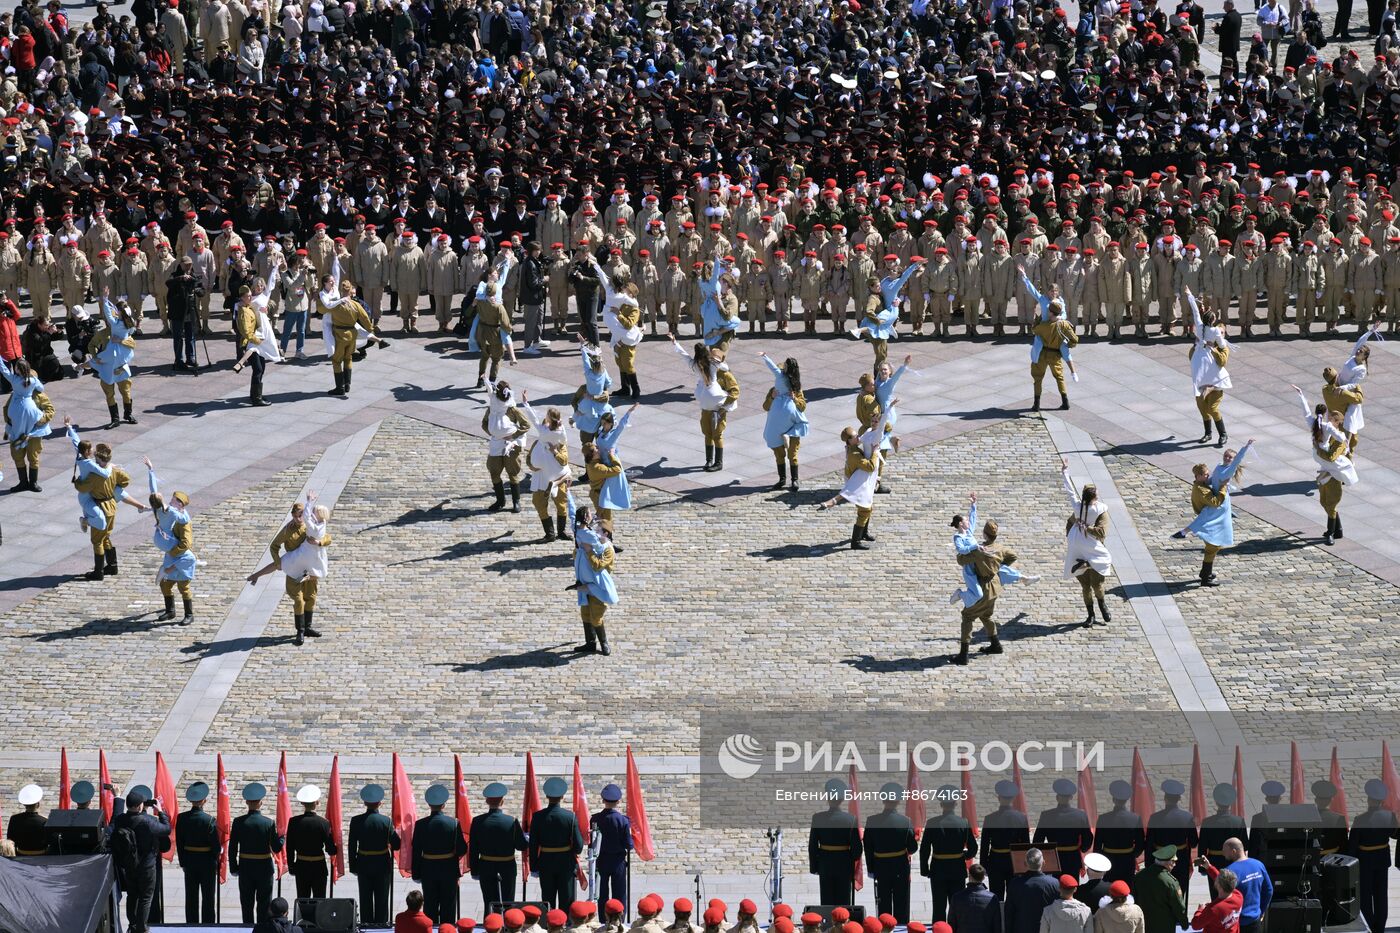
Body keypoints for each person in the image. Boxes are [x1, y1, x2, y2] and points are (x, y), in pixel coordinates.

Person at [248, 492, 333, 645]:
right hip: (295, 569)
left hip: (310, 570)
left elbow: (327, 537)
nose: (298, 519)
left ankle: (307, 627)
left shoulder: (311, 524)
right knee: (299, 600)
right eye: (295, 516)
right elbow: (274, 546)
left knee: (311, 598)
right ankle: (299, 631)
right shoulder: (287, 530)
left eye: (300, 515)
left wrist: (319, 543)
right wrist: (278, 562)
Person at [1171, 441, 1255, 586]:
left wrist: (1245, 448)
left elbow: (1237, 461)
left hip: (1221, 503)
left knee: (1206, 520)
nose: (1228, 459)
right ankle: (1205, 574)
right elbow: (1213, 479)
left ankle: (1186, 534)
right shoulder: (1219, 466)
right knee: (1208, 526)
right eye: (1226, 456)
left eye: (1230, 457)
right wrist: (1205, 482)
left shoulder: (1229, 470)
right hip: (1218, 501)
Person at [1292, 386, 1358, 545]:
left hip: (1325, 460)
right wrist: (1347, 446)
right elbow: (1341, 436)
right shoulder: (1325, 426)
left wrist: (1301, 395)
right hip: (1325, 461)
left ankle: (1331, 532)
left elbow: (1305, 412)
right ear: (1326, 414)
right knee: (1327, 501)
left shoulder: (1314, 423)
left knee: (1331, 501)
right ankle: (1338, 529)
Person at [74, 440, 147, 581]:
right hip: (112, 507)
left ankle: (98, 571)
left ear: (99, 459)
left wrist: (77, 481)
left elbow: (82, 488)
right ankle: (113, 566)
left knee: (97, 541)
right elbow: (126, 480)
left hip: (100, 507)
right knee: (106, 536)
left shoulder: (94, 476)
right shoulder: (114, 470)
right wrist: (114, 486)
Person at [951, 521, 1020, 665]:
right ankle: (995, 645)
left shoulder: (979, 551)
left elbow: (961, 560)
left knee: (968, 616)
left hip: (983, 588)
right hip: (995, 587)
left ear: (984, 534)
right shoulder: (1000, 548)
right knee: (986, 615)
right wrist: (997, 567)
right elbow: (1013, 556)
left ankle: (964, 655)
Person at [669, 336, 740, 472]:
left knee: (709, 434)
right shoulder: (713, 364)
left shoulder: (695, 365)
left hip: (704, 401)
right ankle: (717, 462)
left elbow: (684, 355)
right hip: (714, 399)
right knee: (715, 434)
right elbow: (725, 367)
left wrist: (675, 343)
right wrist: (717, 360)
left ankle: (710, 461)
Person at [110, 785, 173, 933]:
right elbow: (166, 829)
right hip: (147, 865)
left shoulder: (121, 820)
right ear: (140, 806)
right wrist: (161, 812)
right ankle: (141, 927)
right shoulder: (147, 821)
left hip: (129, 865)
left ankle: (132, 926)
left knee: (132, 895)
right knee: (146, 897)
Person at [815, 417, 885, 550]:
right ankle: (856, 541)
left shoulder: (853, 448)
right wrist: (875, 452)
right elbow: (870, 466)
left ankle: (863, 533)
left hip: (860, 482)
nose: (858, 436)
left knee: (867, 507)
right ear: (849, 440)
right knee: (865, 510)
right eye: (854, 436)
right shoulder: (854, 454)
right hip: (857, 485)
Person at [145, 455, 197, 625]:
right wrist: (151, 469)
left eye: (175, 500)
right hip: (169, 550)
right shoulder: (170, 511)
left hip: (178, 555)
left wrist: (172, 553)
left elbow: (186, 542)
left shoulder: (177, 515)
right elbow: (154, 491)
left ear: (181, 505)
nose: (171, 500)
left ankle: (189, 614)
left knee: (183, 587)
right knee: (165, 586)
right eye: (172, 499)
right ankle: (170, 611)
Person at [1060, 465, 1114, 626]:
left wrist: (1065, 472)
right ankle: (1092, 614)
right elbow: (1101, 533)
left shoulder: (1077, 506)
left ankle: (1099, 606)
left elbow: (1070, 490)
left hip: (1077, 542)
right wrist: (1087, 527)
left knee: (1094, 585)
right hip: (1089, 542)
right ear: (1093, 498)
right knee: (1104, 559)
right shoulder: (1099, 509)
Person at [921, 786, 979, 924]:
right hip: (957, 869)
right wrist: (963, 856)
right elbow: (973, 847)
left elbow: (924, 849)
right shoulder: (963, 823)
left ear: (941, 804)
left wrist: (924, 869)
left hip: (938, 870)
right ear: (955, 804)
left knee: (939, 907)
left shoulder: (932, 823)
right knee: (957, 906)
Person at [412, 785, 468, 924]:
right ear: (443, 805)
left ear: (429, 804)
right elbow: (462, 849)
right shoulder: (453, 823)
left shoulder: (420, 824)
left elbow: (416, 851)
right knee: (448, 905)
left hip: (428, 869)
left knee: (430, 904)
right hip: (448, 869)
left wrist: (416, 873)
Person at [1023, 272, 1079, 411]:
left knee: (1064, 350)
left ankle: (1073, 374)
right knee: (1038, 353)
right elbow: (1033, 291)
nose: (1053, 293)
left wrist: (1060, 318)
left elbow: (1064, 313)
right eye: (1051, 290)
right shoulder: (1043, 300)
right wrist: (1024, 276)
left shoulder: (1060, 302)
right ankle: (1037, 404)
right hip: (1043, 332)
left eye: (1055, 291)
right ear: (1047, 291)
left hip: (1054, 330)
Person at [231, 782, 285, 924]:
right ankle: (262, 928)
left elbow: (232, 847)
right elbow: (276, 848)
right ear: (261, 803)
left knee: (246, 903)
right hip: (264, 868)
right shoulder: (268, 823)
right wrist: (282, 838)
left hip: (245, 867)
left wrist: (234, 867)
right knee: (264, 904)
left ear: (247, 802)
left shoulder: (238, 822)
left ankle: (247, 928)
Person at [1347, 780, 1397, 933]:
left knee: (1366, 897)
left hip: (1365, 862)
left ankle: (1370, 926)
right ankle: (1380, 928)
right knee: (1381, 897)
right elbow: (1395, 835)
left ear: (1368, 799)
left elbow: (1352, 846)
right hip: (1382, 861)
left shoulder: (1360, 819)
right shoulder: (1390, 816)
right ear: (1382, 801)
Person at [864, 783, 917, 923]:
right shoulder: (905, 821)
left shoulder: (872, 821)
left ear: (883, 800)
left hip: (880, 867)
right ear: (898, 801)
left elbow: (868, 847)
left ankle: (884, 928)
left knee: (883, 903)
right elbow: (913, 847)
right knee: (901, 901)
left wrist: (871, 869)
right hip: (900, 866)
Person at [349, 783, 402, 927]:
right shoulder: (386, 821)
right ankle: (381, 925)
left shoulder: (356, 821)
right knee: (382, 898)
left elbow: (352, 846)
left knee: (365, 897)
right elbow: (397, 845)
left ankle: (366, 924)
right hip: (382, 863)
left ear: (365, 802)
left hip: (363, 862)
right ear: (379, 803)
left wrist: (353, 866)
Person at [470, 782, 527, 913]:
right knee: (508, 902)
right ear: (502, 801)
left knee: (489, 902)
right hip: (507, 866)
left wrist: (474, 870)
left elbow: (473, 849)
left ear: (486, 801)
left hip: (486, 865)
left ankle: (490, 926)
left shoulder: (478, 821)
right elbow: (521, 846)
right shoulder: (511, 821)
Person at [571, 505, 621, 654]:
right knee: (585, 614)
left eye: (598, 530)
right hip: (586, 582)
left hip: (598, 586)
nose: (595, 531)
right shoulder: (594, 543)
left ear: (605, 533)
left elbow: (598, 566)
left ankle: (604, 643)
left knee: (596, 616)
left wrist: (588, 551)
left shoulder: (607, 550)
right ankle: (590, 643)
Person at [1, 357, 56, 493]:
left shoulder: (40, 395)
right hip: (18, 426)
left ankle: (33, 482)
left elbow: (50, 410)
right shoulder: (21, 389)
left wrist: (41, 420)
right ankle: (23, 482)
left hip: (34, 430)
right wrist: (8, 421)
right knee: (17, 455)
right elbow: (6, 408)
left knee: (33, 456)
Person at [529, 776, 585, 908]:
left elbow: (533, 844)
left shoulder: (537, 817)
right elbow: (579, 845)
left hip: (545, 862)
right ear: (562, 797)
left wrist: (534, 866)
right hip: (566, 862)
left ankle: (550, 924)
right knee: (567, 898)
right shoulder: (570, 816)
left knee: (548, 899)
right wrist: (573, 852)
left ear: (547, 796)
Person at [85, 295, 141, 426]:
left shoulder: (123, 327)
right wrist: (95, 358)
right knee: (109, 394)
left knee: (126, 392)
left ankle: (128, 414)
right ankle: (115, 419)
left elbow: (132, 344)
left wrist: (121, 341)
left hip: (120, 366)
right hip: (106, 366)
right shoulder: (102, 333)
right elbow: (91, 345)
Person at [1185, 290, 1232, 446]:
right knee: (1202, 407)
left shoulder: (1202, 331)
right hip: (1202, 374)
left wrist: (1190, 297)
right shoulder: (1211, 332)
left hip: (1214, 382)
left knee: (1213, 408)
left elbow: (1223, 359)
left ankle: (1223, 434)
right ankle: (1208, 433)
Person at [318, 275, 377, 398]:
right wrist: (370, 329)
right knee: (348, 357)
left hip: (339, 332)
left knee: (336, 360)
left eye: (334, 281)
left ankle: (340, 387)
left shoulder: (336, 298)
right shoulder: (352, 303)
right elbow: (365, 316)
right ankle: (347, 384)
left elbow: (326, 308)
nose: (333, 282)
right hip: (349, 331)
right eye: (331, 281)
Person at [759, 351, 808, 491]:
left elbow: (803, 406)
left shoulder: (796, 388)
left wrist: (795, 398)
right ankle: (782, 479)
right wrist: (772, 397)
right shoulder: (774, 390)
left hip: (792, 426)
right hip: (777, 426)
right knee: (779, 454)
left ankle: (794, 480)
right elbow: (765, 407)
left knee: (792, 454)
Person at [808, 778, 861, 906]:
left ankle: (828, 925)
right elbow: (857, 848)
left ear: (827, 797)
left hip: (825, 864)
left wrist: (815, 867)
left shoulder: (818, 818)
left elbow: (813, 846)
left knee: (827, 900)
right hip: (844, 863)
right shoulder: (850, 819)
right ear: (842, 799)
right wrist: (851, 860)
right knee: (844, 901)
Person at [483, 379, 531, 513]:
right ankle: (500, 501)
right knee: (494, 472)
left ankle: (516, 502)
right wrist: (494, 433)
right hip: (496, 444)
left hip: (512, 445)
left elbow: (526, 425)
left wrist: (513, 436)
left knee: (512, 473)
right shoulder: (492, 408)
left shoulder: (512, 409)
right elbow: (484, 423)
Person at [176, 781, 219, 924]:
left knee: (191, 897)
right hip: (207, 863)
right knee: (208, 897)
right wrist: (216, 858)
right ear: (204, 801)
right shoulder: (209, 820)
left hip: (189, 861)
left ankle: (192, 924)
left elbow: (179, 842)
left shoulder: (182, 818)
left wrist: (183, 862)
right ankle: (208, 925)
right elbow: (215, 846)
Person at [1034, 779, 1094, 880]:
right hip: (1073, 858)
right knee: (1071, 885)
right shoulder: (1080, 815)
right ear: (1071, 797)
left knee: (1054, 886)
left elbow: (1037, 840)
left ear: (1057, 797)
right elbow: (1088, 838)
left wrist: (1045, 855)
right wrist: (1082, 848)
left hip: (1053, 859)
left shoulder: (1046, 816)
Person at [288, 784, 339, 899]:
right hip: (318, 867)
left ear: (302, 803)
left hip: (301, 866)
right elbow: (330, 849)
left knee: (303, 899)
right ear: (316, 802)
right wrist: (335, 848)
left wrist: (291, 866)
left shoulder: (294, 822)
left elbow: (290, 847)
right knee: (319, 900)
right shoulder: (324, 823)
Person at [1146, 781, 1198, 892]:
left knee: (1161, 891)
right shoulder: (1187, 817)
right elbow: (1193, 842)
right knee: (1179, 891)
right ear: (1179, 799)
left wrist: (1149, 865)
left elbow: (1149, 844)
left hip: (1160, 860)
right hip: (1180, 860)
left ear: (1165, 798)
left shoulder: (1155, 818)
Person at [981, 782, 1031, 898]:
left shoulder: (990, 818)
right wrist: (1025, 865)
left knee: (996, 897)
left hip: (995, 861)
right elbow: (1025, 844)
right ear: (1013, 798)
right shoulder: (1021, 818)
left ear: (999, 798)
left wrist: (984, 865)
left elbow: (984, 845)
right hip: (1015, 862)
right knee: (1014, 896)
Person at [1214, 839, 1271, 933]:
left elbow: (1223, 900)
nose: (1223, 854)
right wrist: (1261, 910)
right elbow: (1269, 890)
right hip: (1255, 920)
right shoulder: (1259, 864)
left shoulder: (1230, 871)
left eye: (1225, 851)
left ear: (1233, 851)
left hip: (1237, 924)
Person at [1095, 782, 1146, 883]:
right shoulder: (1135, 818)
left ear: (1113, 799)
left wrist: (1101, 859)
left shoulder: (1103, 819)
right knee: (1127, 889)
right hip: (1127, 861)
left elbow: (1097, 844)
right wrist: (1132, 855)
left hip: (1108, 860)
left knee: (1109, 889)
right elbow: (1140, 844)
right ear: (1126, 800)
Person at [591, 783, 632, 907]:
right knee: (619, 894)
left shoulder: (595, 819)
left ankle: (604, 919)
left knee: (601, 893)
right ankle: (618, 919)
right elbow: (629, 845)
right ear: (618, 801)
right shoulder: (623, 820)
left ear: (603, 800)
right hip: (618, 860)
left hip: (601, 859)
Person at [1130, 846, 1186, 933]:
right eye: (1173, 861)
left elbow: (1133, 899)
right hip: (1164, 926)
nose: (1175, 864)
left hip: (1143, 924)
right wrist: (1184, 923)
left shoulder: (1139, 876)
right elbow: (1178, 906)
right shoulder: (1170, 882)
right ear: (1167, 863)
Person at [1004, 848, 1059, 933]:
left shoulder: (1015, 884)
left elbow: (1009, 913)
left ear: (1025, 863)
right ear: (1043, 863)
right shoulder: (1054, 883)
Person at [1198, 787, 1248, 871]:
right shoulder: (1239, 821)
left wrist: (1202, 868)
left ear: (1216, 802)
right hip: (1233, 861)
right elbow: (1245, 846)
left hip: (1213, 863)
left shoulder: (1207, 822)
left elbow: (1202, 847)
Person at [949, 864, 1002, 933]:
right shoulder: (992, 898)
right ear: (983, 878)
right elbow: (997, 924)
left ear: (969, 876)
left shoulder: (956, 897)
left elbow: (952, 923)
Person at [1188, 864, 1242, 933]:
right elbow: (1224, 881)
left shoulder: (1214, 909)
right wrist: (1209, 867)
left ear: (1219, 886)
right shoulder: (1238, 896)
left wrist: (1200, 910)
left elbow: (1195, 925)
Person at [7, 785, 48, 856]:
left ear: (24, 804)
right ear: (38, 805)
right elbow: (48, 841)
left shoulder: (14, 819)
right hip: (41, 855)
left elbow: (10, 838)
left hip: (20, 853)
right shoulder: (44, 821)